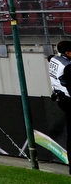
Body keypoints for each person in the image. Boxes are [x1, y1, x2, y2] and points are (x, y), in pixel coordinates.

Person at [49, 40, 71, 175]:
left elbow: (50, 58)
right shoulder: (68, 67)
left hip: (60, 99)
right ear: (68, 53)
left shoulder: (55, 60)